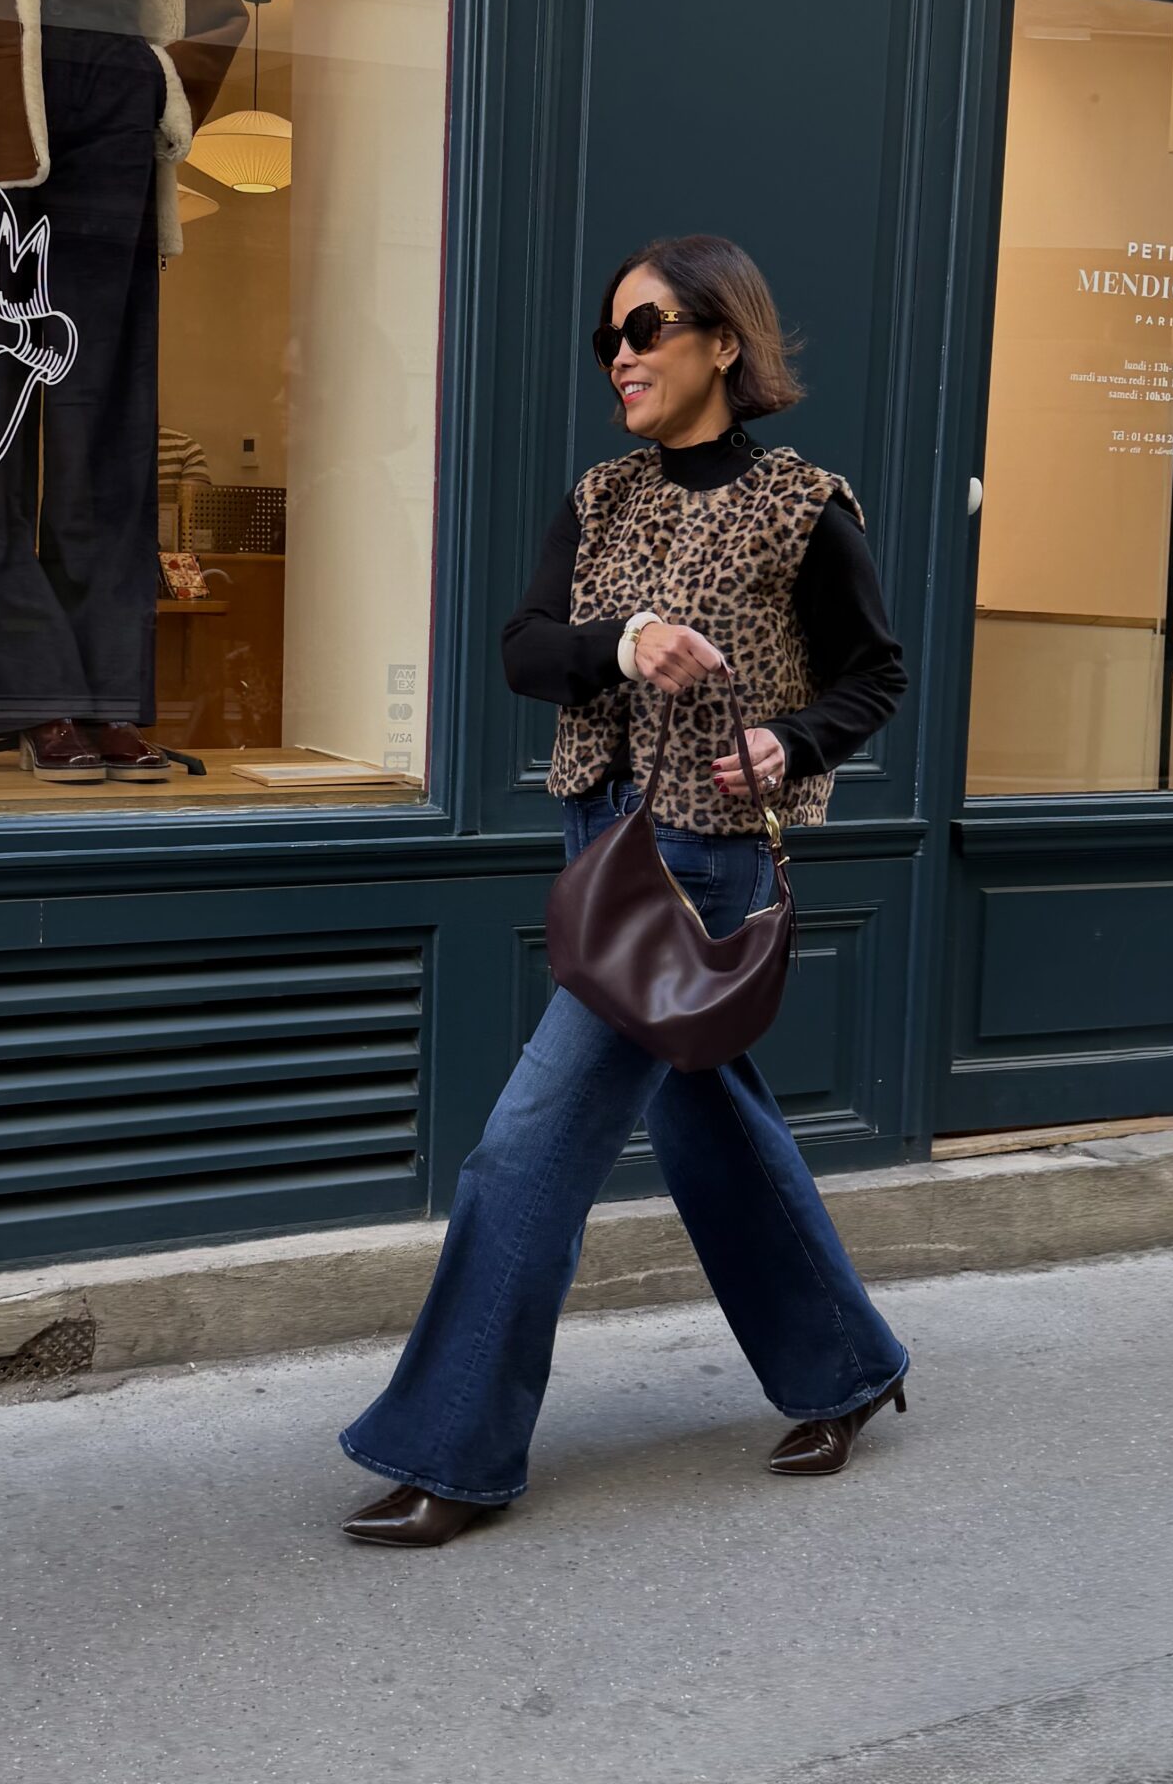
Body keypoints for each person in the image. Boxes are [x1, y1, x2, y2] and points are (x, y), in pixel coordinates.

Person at [338, 234, 912, 1546]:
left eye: (647, 329)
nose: (621, 356)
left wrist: (793, 741)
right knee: (714, 1132)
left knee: (524, 1152)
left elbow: (874, 673)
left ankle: (451, 1450)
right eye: (610, 337)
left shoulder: (801, 506)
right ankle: (848, 1368)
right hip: (600, 842)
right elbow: (524, 651)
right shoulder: (599, 498)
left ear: (724, 341)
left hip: (704, 857)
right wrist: (626, 642)